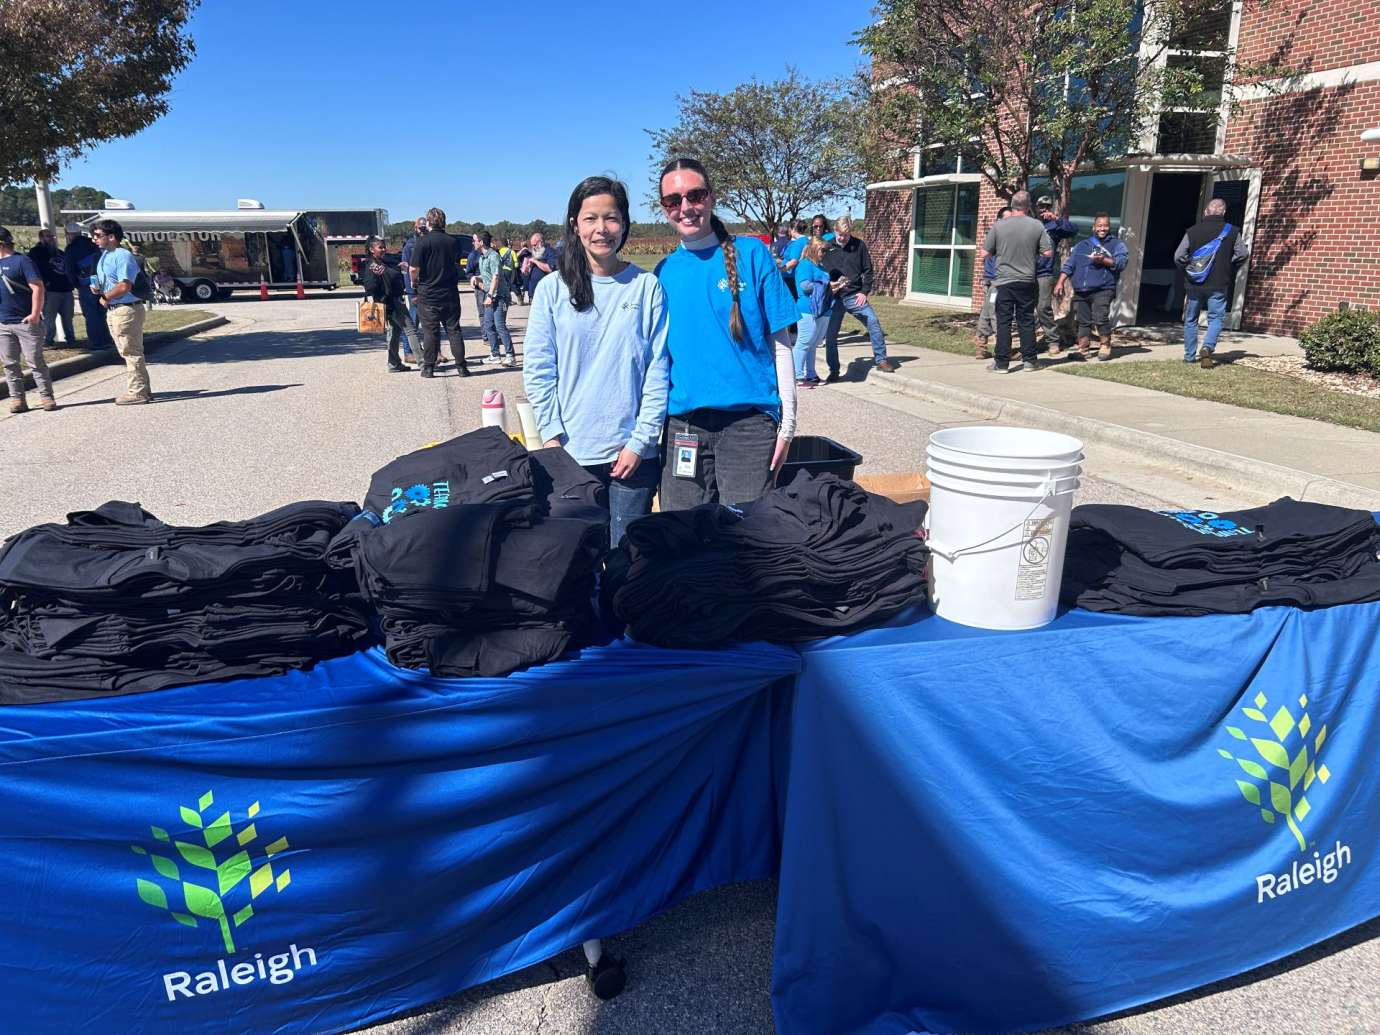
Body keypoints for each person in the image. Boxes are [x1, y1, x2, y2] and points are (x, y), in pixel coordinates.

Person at [523, 175, 670, 545]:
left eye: (611, 218)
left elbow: (657, 369)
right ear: (575, 224)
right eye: (590, 218)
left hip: (632, 459)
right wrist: (553, 441)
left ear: (624, 224)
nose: (601, 229)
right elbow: (539, 369)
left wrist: (639, 443)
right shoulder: (553, 289)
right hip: (570, 456)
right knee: (575, 568)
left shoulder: (646, 287)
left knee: (626, 564)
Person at [654, 157, 797, 508]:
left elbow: (781, 344)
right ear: (665, 209)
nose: (686, 207)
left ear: (712, 197)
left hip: (747, 426)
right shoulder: (663, 272)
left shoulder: (752, 255)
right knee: (682, 537)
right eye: (674, 200)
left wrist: (788, 424)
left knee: (745, 537)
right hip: (684, 427)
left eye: (695, 195)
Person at [981, 190, 1052, 373]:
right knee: (1026, 320)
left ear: (1012, 206)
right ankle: (1030, 361)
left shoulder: (999, 226)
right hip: (1027, 280)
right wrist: (1032, 256)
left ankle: (1001, 363)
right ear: (1028, 207)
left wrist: (1000, 253)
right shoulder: (1037, 226)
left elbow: (984, 253)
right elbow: (1047, 253)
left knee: (1003, 321)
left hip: (1003, 281)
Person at [1175, 198, 1249, 370]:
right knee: (1216, 318)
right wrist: (1228, 265)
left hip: (1194, 283)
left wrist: (1189, 268)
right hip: (1219, 283)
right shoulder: (1232, 231)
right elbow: (1243, 254)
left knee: (1191, 319)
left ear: (1206, 212)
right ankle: (1207, 347)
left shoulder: (1192, 231)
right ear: (1223, 212)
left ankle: (1189, 356)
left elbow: (1178, 256)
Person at [821, 215, 895, 378]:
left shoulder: (859, 246)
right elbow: (819, 270)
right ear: (835, 230)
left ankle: (881, 360)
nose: (842, 238)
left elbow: (868, 271)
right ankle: (834, 370)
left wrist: (864, 291)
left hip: (855, 296)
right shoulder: (827, 248)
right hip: (835, 297)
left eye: (846, 235)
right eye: (840, 234)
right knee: (831, 335)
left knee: (873, 322)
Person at [90, 218, 153, 404]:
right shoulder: (104, 256)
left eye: (98, 235)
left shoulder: (122, 255)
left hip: (126, 309)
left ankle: (137, 392)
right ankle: (143, 389)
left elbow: (124, 285)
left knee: (131, 352)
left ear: (111, 237)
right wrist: (98, 289)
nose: (95, 239)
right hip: (114, 309)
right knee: (128, 351)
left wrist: (106, 297)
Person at [1054, 213, 1129, 361]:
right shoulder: (1082, 245)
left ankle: (1105, 345)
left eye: (1105, 225)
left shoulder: (1117, 245)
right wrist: (1060, 282)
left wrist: (1104, 260)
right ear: (1093, 227)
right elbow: (1069, 265)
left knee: (1100, 318)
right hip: (1081, 291)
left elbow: (1121, 263)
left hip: (1103, 289)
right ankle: (1083, 350)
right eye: (1099, 225)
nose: (1102, 228)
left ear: (1109, 227)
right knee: (1083, 321)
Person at [0, 227, 56, 413]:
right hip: (3, 323)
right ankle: (17, 399)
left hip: (25, 322)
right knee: (10, 363)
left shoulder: (22, 261)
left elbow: (38, 287)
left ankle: (46, 396)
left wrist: (34, 314)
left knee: (35, 361)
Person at [408, 207, 468, 378]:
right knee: (453, 330)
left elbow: (413, 268)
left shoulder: (423, 242)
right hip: (449, 291)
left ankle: (428, 367)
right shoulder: (453, 242)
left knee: (430, 332)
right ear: (444, 221)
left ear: (428, 222)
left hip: (428, 293)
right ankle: (461, 366)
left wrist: (414, 282)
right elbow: (455, 261)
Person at [361, 236, 418, 372]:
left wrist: (397, 268)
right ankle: (424, 362)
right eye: (380, 247)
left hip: (392, 302)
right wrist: (384, 276)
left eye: (384, 246)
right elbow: (370, 286)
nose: (384, 249)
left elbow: (390, 273)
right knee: (410, 330)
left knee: (394, 332)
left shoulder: (381, 262)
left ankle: (393, 363)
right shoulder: (373, 265)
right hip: (391, 303)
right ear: (371, 250)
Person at [1035, 196, 1077, 355]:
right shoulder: (1032, 224)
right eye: (1041, 206)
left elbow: (1073, 230)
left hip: (1044, 273)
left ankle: (1053, 341)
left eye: (1046, 207)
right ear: (1036, 207)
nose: (1043, 209)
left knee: (1043, 307)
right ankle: (1029, 342)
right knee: (1026, 309)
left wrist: (1057, 219)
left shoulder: (1054, 225)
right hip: (1027, 272)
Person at [791, 235, 834, 387]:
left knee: (813, 343)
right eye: (822, 250)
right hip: (807, 308)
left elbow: (822, 285)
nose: (824, 253)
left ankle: (810, 374)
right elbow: (805, 286)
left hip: (824, 308)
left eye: (826, 251)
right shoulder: (804, 265)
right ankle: (797, 375)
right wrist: (825, 285)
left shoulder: (821, 267)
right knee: (804, 341)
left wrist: (835, 286)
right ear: (814, 249)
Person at [63, 222, 113, 350]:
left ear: (68, 234)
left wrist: (75, 284)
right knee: (102, 312)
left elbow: (69, 270)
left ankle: (98, 342)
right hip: (100, 282)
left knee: (91, 315)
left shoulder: (71, 249)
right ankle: (108, 339)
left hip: (85, 285)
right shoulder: (92, 244)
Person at [974, 206, 1012, 360]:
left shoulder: (994, 234)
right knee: (996, 313)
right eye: (1007, 219)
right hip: (996, 281)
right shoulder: (999, 236)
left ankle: (981, 348)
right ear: (999, 220)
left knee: (986, 312)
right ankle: (1003, 349)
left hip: (993, 281)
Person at [28, 227, 75, 347]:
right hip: (51, 291)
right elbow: (33, 270)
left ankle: (71, 339)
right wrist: (44, 283)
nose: (51, 239)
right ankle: (48, 340)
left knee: (68, 317)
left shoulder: (59, 253)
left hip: (66, 289)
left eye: (52, 236)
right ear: (41, 238)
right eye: (48, 236)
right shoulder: (36, 253)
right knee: (49, 317)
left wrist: (71, 282)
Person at [476, 232, 517, 367]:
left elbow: (496, 276)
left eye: (475, 240)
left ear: (481, 242)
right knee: (488, 325)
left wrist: (489, 295)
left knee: (500, 325)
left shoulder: (493, 256)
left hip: (499, 297)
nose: (473, 243)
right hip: (491, 296)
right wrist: (476, 279)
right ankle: (495, 354)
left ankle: (510, 356)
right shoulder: (482, 258)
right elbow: (486, 276)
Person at [398, 216, 429, 360]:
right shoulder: (409, 246)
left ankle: (435, 351)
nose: (422, 230)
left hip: (428, 288)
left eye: (425, 227)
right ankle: (408, 351)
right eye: (420, 227)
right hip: (415, 290)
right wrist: (412, 292)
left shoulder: (429, 243)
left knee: (431, 321)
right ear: (415, 228)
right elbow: (406, 272)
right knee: (413, 321)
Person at [778, 219, 809, 299]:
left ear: (793, 229)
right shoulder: (805, 240)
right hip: (793, 277)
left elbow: (794, 261)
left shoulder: (798, 243)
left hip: (790, 278)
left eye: (790, 229)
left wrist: (780, 270)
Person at [524, 231, 557, 301]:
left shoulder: (550, 252)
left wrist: (535, 261)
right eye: (531, 245)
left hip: (545, 292)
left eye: (534, 245)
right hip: (533, 291)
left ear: (541, 242)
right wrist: (526, 270)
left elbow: (550, 269)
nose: (533, 247)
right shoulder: (534, 253)